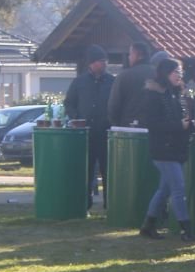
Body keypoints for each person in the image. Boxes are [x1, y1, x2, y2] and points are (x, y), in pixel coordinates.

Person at [136, 59, 195, 243]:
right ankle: (186, 229)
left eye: (180, 72)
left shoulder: (175, 94)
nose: (179, 75)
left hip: (174, 148)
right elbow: (152, 124)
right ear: (165, 74)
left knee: (164, 189)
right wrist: (180, 125)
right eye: (175, 72)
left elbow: (179, 119)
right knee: (178, 188)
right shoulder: (153, 95)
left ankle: (148, 225)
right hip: (163, 149)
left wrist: (188, 125)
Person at [64, 44, 114, 210]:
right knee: (86, 170)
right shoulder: (79, 82)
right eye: (101, 61)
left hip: (106, 133)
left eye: (105, 60)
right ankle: (85, 203)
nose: (105, 63)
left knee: (108, 170)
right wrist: (77, 118)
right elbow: (69, 103)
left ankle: (110, 202)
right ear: (91, 63)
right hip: (86, 134)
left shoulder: (112, 81)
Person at [108, 41, 152, 127]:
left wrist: (116, 123)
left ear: (138, 55)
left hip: (129, 127)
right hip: (155, 129)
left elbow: (114, 105)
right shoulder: (158, 75)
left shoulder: (124, 76)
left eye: (131, 54)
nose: (129, 57)